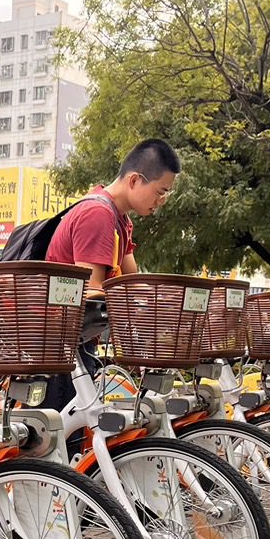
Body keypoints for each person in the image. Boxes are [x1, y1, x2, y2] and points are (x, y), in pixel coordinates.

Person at [43, 138, 180, 406]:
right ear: (134, 181)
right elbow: (92, 292)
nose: (162, 201)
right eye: (160, 191)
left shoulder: (120, 219)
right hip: (61, 343)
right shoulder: (98, 214)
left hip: (78, 339)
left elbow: (131, 282)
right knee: (63, 438)